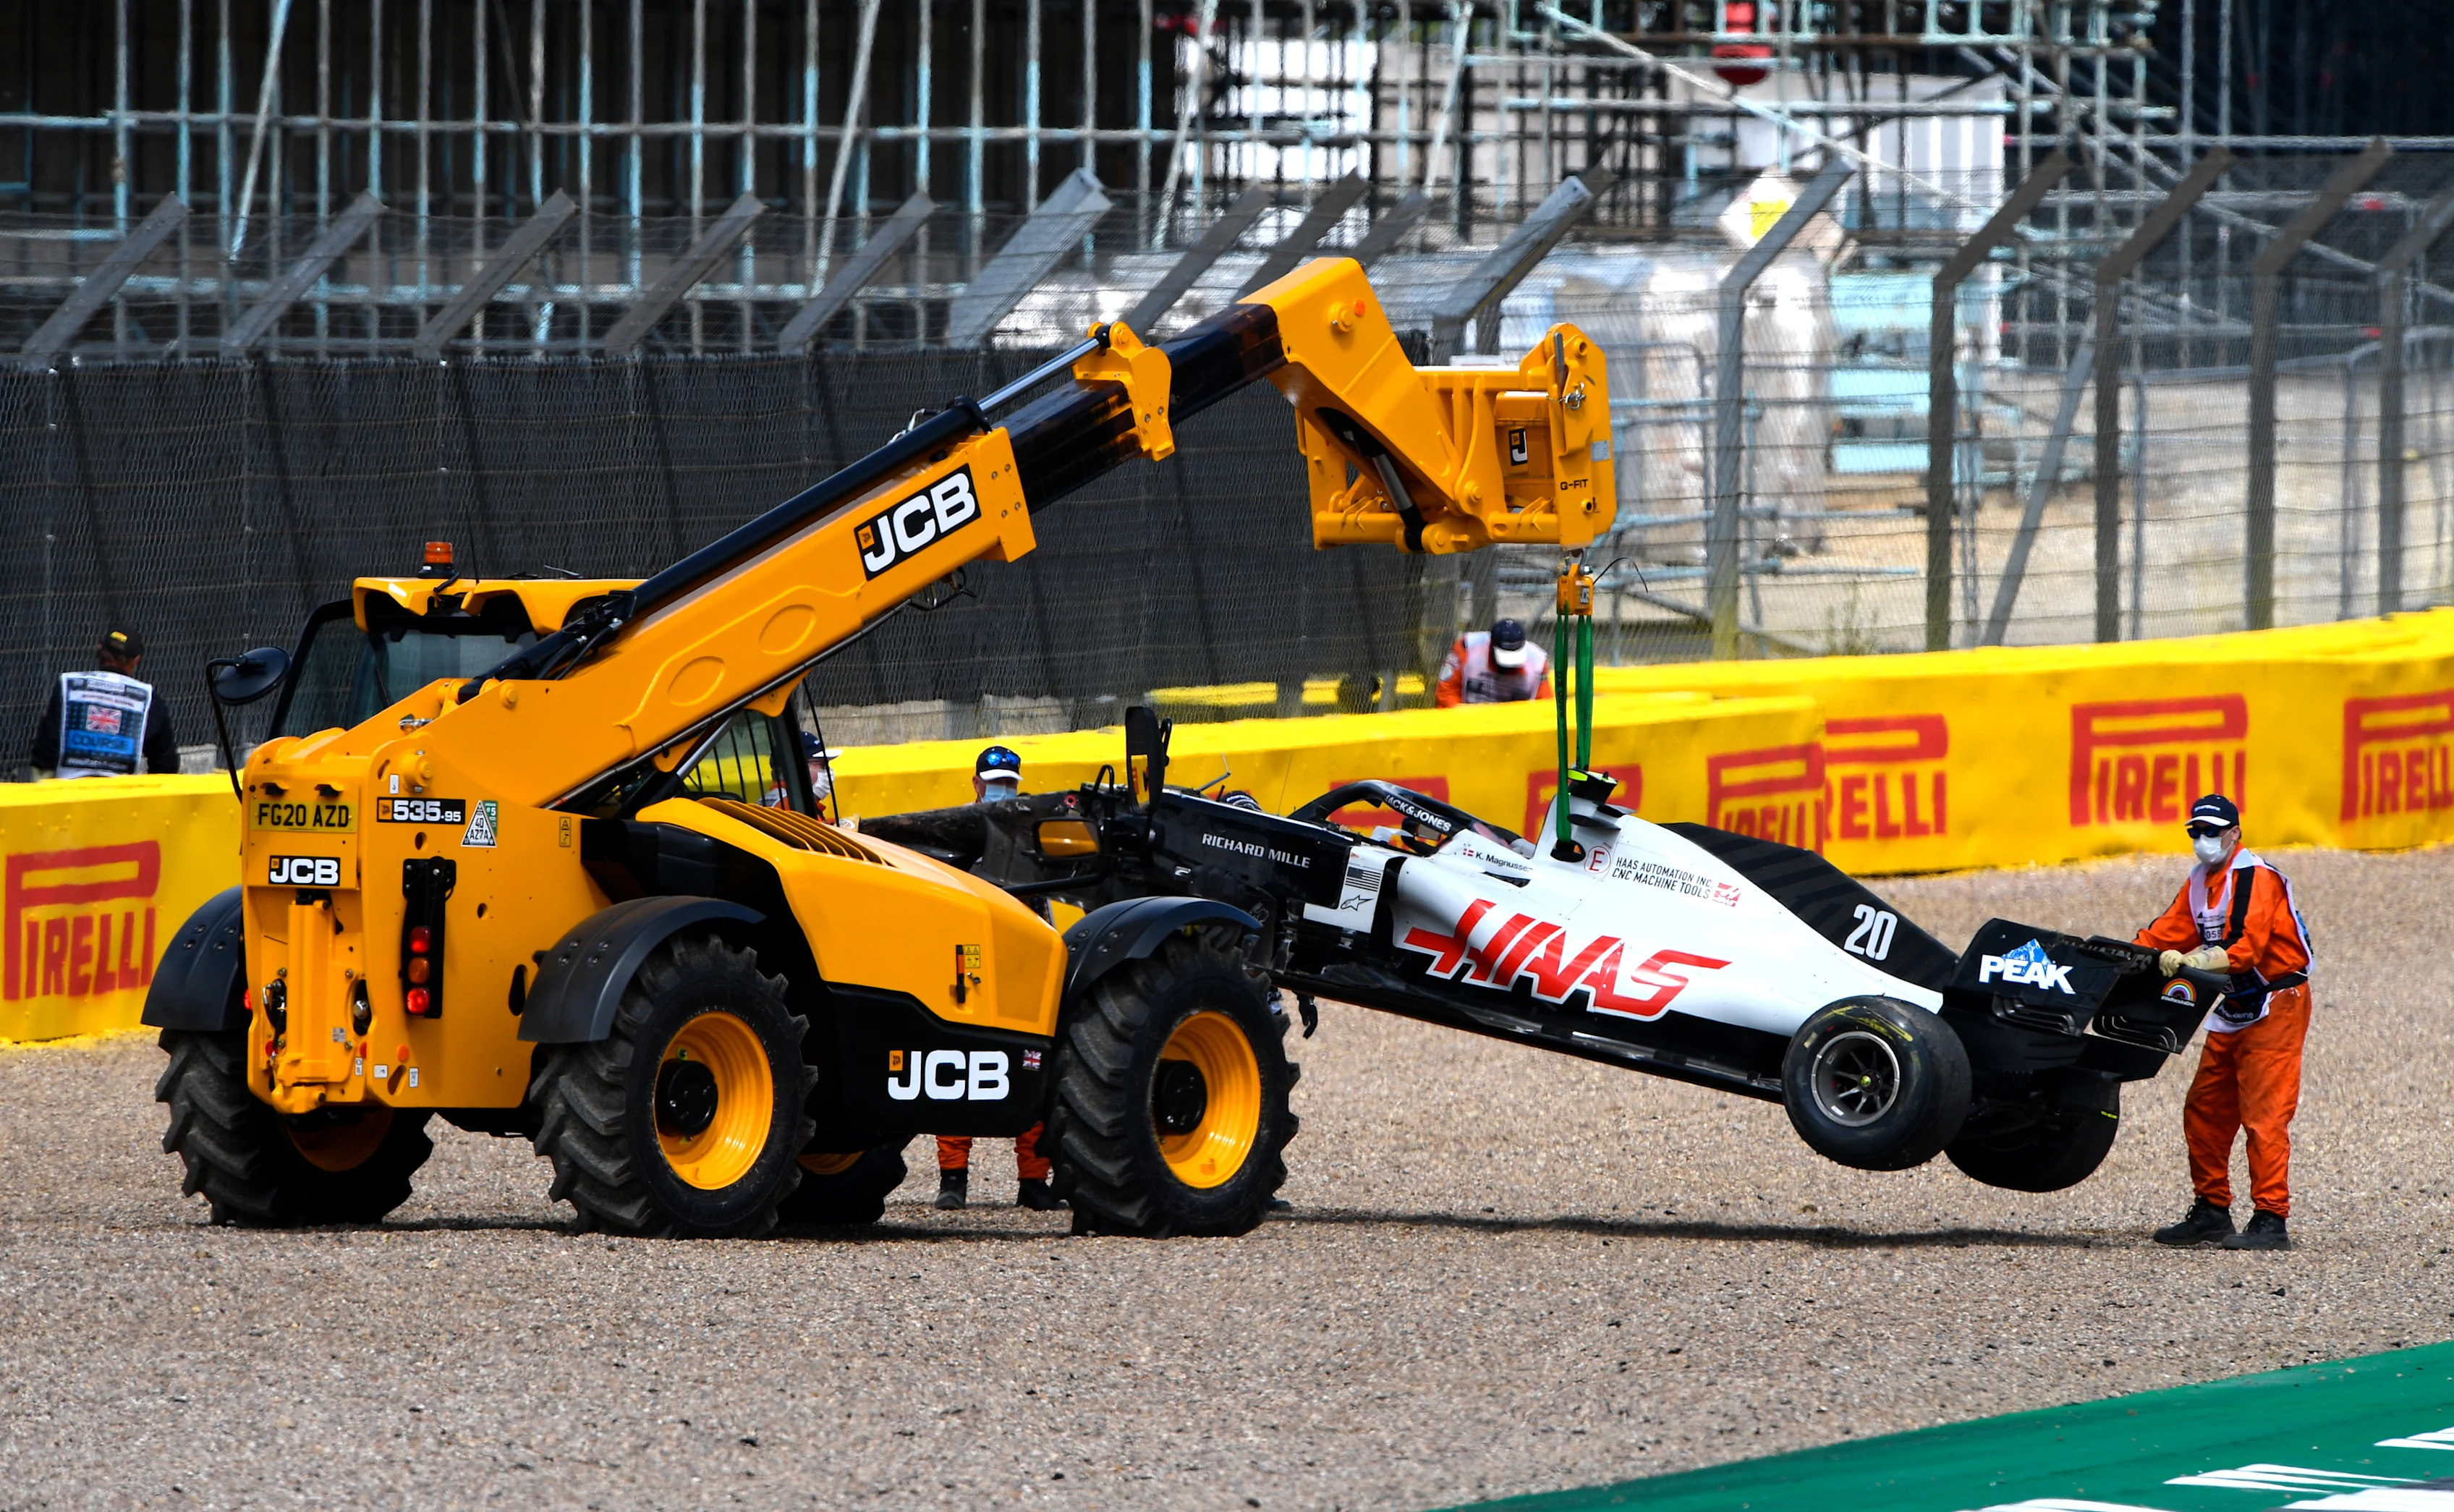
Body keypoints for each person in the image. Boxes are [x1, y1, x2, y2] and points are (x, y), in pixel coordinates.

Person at [2136, 795, 2315, 1252]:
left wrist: (2190, 960)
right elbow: (2164, 933)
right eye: (2195, 832)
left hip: (2277, 1000)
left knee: (2264, 1114)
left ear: (2235, 833)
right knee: (2205, 1109)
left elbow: (2245, 948)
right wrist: (2131, 956)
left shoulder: (2257, 877)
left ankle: (2271, 1218)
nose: (2203, 841)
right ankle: (2212, 1210)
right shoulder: (2199, 882)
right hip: (2235, 1003)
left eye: (2212, 832)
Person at [938, 742, 1063, 1212]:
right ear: (976, 786)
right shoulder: (952, 836)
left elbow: (1046, 909)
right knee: (957, 1068)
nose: (1002, 794)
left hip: (1021, 966)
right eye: (994, 787)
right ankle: (953, 1181)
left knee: (1035, 1068)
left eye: (1009, 786)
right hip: (966, 965)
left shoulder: (1031, 838)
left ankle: (1033, 1181)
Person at [31, 629, 180, 779]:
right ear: (136, 660)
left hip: (68, 793)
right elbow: (166, 765)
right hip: (117, 797)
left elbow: (45, 751)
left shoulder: (68, 685)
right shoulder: (147, 698)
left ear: (100, 649)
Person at [1435, 617, 1553, 707]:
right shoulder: (1467, 648)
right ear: (1491, 647)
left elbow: (1544, 705)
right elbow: (1446, 693)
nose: (1509, 666)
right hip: (1469, 724)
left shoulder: (1537, 662)